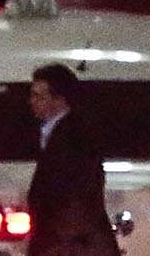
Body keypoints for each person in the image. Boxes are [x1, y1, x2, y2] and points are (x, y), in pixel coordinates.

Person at [24, 65, 116, 256]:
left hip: (70, 244)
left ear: (59, 99)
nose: (32, 102)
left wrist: (61, 245)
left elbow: (74, 197)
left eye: (39, 96)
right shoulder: (57, 134)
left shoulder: (74, 138)